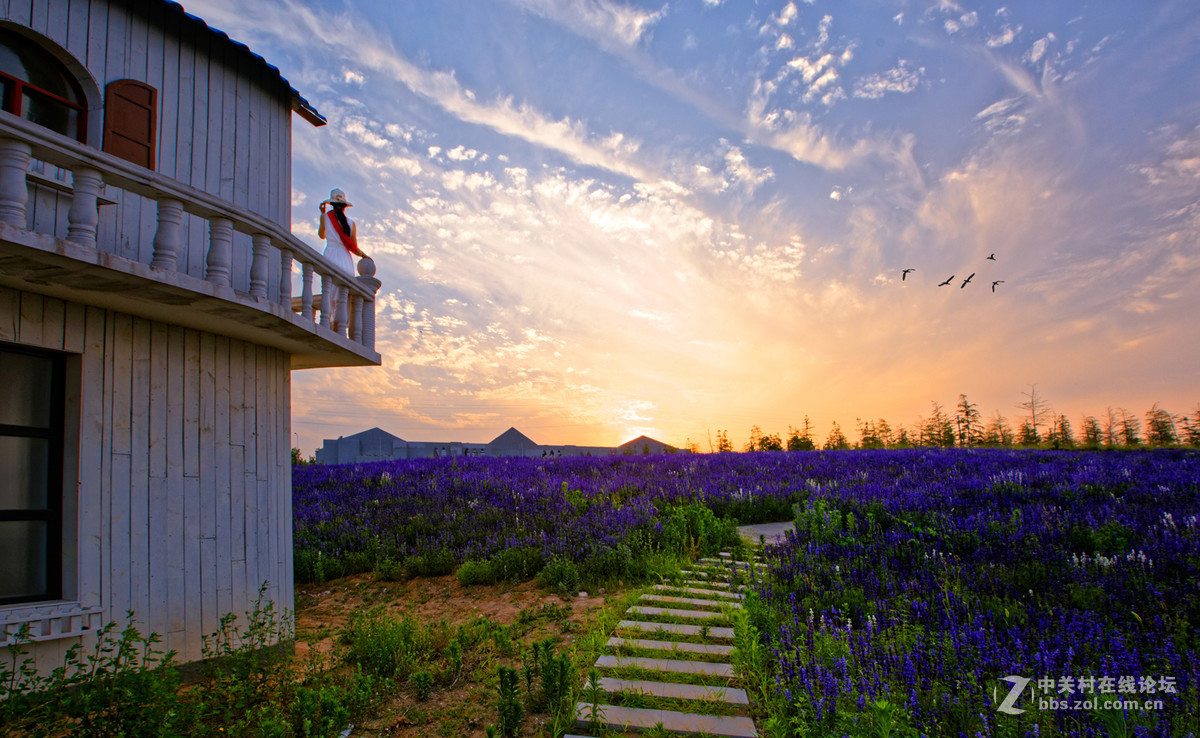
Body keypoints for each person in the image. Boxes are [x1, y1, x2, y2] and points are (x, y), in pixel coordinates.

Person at [317, 188, 369, 330]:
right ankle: (340, 328)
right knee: (342, 296)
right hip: (346, 259)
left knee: (329, 292)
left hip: (330, 255)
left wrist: (322, 215)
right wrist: (364, 255)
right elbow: (354, 246)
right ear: (345, 206)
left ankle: (327, 325)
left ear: (331, 204)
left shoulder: (326, 217)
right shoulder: (351, 223)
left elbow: (321, 235)